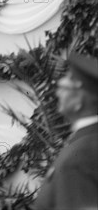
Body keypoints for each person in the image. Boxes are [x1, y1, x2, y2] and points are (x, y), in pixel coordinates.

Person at [33, 52, 98, 210]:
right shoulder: (88, 140)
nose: (57, 93)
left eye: (64, 88)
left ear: (79, 101)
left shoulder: (78, 157)